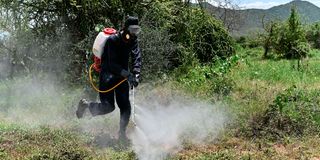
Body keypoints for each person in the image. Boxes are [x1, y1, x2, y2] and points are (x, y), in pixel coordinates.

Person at [76, 16, 141, 141]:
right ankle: (85, 105)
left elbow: (137, 57)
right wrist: (128, 75)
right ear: (126, 28)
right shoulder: (113, 40)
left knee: (125, 106)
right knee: (108, 107)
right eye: (132, 30)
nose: (134, 33)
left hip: (122, 77)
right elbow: (112, 65)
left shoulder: (133, 40)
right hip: (108, 76)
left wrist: (136, 74)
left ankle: (122, 134)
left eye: (136, 30)